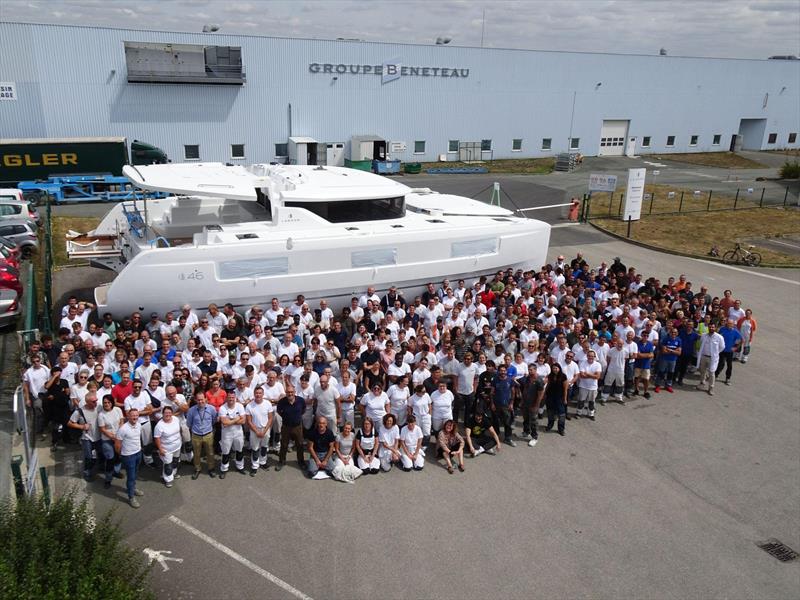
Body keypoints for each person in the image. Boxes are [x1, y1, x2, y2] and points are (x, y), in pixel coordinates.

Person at [67, 391, 100, 481]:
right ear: (87, 402)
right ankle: (87, 473)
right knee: (88, 456)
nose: (96, 403)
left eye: (96, 400)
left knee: (97, 456)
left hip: (98, 437)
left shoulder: (98, 408)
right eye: (93, 401)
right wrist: (81, 426)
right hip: (87, 438)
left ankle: (94, 470)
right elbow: (70, 423)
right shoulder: (80, 411)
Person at [115, 408, 145, 508]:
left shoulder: (139, 425)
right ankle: (131, 497)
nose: (135, 417)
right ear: (128, 416)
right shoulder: (123, 429)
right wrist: (122, 454)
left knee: (135, 473)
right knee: (131, 477)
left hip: (138, 453)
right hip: (128, 456)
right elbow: (117, 445)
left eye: (136, 415)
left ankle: (133, 488)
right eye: (133, 415)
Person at [186, 389, 218, 478]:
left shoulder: (211, 409)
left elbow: (214, 420)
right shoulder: (191, 410)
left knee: (210, 453)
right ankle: (197, 469)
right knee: (196, 454)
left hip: (208, 434)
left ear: (206, 399)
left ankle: (211, 468)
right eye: (198, 400)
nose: (200, 401)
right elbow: (189, 423)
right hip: (196, 435)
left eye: (202, 399)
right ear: (196, 400)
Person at [245, 386, 274, 475]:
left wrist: (265, 431)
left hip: (265, 429)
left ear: (263, 394)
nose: (258, 395)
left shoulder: (268, 403)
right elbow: (249, 421)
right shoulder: (249, 405)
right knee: (255, 448)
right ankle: (254, 466)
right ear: (254, 394)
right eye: (256, 393)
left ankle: (263, 462)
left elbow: (270, 418)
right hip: (254, 430)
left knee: (264, 447)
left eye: (260, 393)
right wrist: (256, 431)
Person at [96, 394, 123, 488]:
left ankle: (116, 471)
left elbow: (121, 421)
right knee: (110, 459)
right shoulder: (101, 414)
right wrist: (112, 437)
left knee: (118, 456)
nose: (106, 404)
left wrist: (119, 434)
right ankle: (108, 479)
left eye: (108, 402)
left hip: (118, 437)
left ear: (112, 403)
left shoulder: (118, 410)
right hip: (107, 440)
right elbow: (102, 429)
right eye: (104, 403)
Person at [276, 386, 306, 471]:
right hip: (286, 426)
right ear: (286, 393)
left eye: (292, 392)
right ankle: (281, 461)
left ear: (295, 392)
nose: (290, 394)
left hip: (297, 426)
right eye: (288, 392)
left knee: (299, 445)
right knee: (284, 444)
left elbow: (303, 410)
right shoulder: (282, 402)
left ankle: (301, 462)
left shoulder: (301, 400)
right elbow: (279, 412)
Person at [218, 391, 247, 477]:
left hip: (238, 433)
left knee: (239, 450)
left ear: (235, 398)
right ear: (226, 398)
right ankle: (224, 469)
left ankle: (240, 466)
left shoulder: (240, 406)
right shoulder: (222, 408)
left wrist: (230, 421)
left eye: (232, 397)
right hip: (227, 434)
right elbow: (224, 423)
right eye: (229, 397)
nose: (231, 399)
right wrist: (236, 419)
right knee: (225, 451)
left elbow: (243, 421)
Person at [153, 406, 183, 488]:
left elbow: (179, 430)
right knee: (168, 465)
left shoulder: (176, 419)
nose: (168, 414)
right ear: (162, 414)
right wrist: (160, 449)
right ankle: (168, 480)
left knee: (176, 461)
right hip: (166, 449)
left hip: (177, 446)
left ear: (172, 413)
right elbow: (157, 438)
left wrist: (181, 439)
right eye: (166, 413)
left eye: (169, 413)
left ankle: (173, 474)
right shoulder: (159, 425)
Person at [696, 323, 726, 395]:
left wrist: (715, 353)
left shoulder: (719, 337)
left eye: (713, 327)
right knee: (702, 371)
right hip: (703, 356)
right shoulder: (704, 336)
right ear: (708, 328)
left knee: (712, 373)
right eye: (710, 327)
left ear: (715, 328)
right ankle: (702, 383)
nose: (711, 328)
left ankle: (711, 388)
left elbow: (722, 347)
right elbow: (701, 344)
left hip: (712, 358)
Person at [491, 365, 517, 446]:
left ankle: (508, 438)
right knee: (495, 422)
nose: (503, 372)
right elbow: (491, 393)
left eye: (504, 370)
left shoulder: (510, 380)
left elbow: (513, 392)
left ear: (506, 371)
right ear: (498, 371)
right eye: (501, 370)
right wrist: (492, 404)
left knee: (508, 422)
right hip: (496, 405)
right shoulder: (495, 380)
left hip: (506, 405)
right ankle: (496, 437)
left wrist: (511, 403)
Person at [519, 364, 544, 446]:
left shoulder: (539, 380)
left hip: (533, 404)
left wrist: (536, 406)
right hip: (526, 403)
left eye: (531, 370)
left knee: (533, 421)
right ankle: (526, 431)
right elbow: (525, 390)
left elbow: (540, 395)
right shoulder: (527, 378)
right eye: (529, 369)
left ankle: (534, 437)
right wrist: (522, 401)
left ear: (535, 370)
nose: (529, 371)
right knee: (525, 419)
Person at [714, 318, 742, 386]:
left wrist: (735, 348)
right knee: (720, 363)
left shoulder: (735, 332)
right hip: (722, 350)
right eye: (728, 323)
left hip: (729, 351)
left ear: (733, 325)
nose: (729, 325)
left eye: (731, 324)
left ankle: (728, 378)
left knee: (729, 365)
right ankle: (715, 375)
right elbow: (717, 337)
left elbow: (740, 340)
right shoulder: (722, 329)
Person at [576, 350, 602, 421]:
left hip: (593, 387)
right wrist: (593, 375)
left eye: (592, 356)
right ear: (587, 356)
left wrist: (587, 374)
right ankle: (579, 413)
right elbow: (582, 375)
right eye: (589, 356)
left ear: (594, 357)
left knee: (591, 401)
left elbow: (597, 377)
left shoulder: (598, 365)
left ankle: (591, 414)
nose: (590, 357)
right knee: (581, 400)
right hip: (583, 386)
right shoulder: (583, 363)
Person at [654, 328, 681, 393]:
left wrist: (670, 350)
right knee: (661, 372)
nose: (673, 333)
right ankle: (658, 385)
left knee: (670, 373)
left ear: (677, 333)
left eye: (675, 332)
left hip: (673, 360)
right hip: (664, 359)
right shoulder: (665, 339)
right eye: (672, 332)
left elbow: (679, 353)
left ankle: (668, 385)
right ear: (670, 333)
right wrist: (675, 351)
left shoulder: (679, 340)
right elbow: (663, 351)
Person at [544, 363, 569, 436]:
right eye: (553, 368)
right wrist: (545, 394)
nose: (555, 370)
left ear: (559, 368)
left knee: (561, 414)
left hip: (560, 398)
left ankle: (561, 429)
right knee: (550, 412)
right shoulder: (550, 376)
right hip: (550, 397)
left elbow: (565, 389)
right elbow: (547, 385)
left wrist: (565, 399)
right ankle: (550, 425)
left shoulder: (563, 376)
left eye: (556, 368)